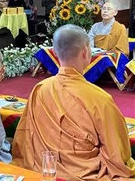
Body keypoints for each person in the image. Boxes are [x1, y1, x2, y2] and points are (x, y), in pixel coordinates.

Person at [12, 25, 135, 180]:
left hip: (43, 169)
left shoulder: (40, 89)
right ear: (85, 52)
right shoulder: (100, 98)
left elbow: (25, 137)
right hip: (85, 173)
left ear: (55, 53)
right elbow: (117, 152)